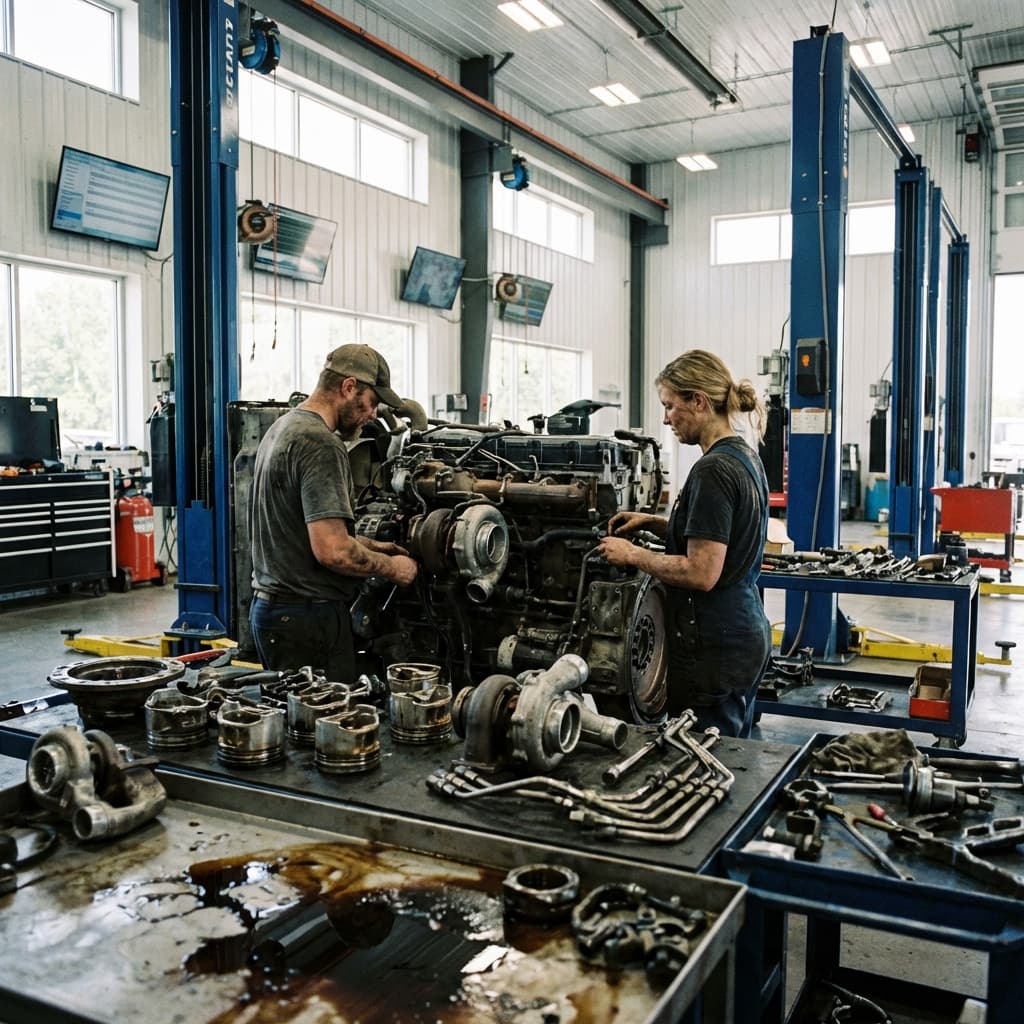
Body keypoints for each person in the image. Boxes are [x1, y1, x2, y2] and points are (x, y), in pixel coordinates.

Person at [598, 349, 770, 737]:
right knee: (737, 757)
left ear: (699, 401)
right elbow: (724, 534)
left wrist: (633, 554)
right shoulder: (744, 455)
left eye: (671, 406)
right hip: (744, 630)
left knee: (707, 763)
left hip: (713, 646)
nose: (665, 418)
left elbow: (702, 571)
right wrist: (660, 524)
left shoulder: (712, 470)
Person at [249, 343, 419, 680]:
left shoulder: (282, 428)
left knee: (296, 724)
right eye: (372, 404)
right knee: (328, 725)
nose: (373, 415)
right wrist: (394, 568)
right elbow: (334, 551)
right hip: (308, 620)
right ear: (349, 387)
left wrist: (373, 546)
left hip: (273, 612)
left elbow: (302, 529)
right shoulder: (321, 444)